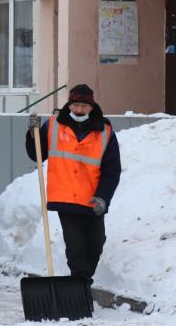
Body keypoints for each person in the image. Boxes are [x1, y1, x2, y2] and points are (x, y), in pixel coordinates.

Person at [25, 84, 121, 300]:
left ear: (91, 107)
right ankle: (81, 288)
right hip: (65, 197)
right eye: (76, 104)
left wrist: (103, 198)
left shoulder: (104, 132)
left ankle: (83, 281)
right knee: (76, 246)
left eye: (84, 105)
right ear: (69, 105)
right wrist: (32, 136)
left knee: (96, 243)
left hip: (92, 199)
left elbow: (112, 171)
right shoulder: (53, 125)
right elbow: (36, 154)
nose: (79, 109)